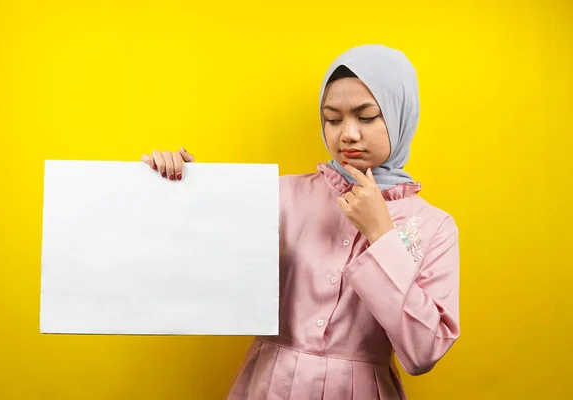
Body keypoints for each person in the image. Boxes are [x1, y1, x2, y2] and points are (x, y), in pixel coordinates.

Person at [141, 44, 460, 400]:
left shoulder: (434, 226)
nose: (347, 134)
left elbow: (425, 351)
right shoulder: (281, 196)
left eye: (366, 116)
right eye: (333, 119)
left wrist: (381, 234)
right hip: (268, 387)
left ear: (401, 114)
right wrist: (181, 188)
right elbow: (199, 267)